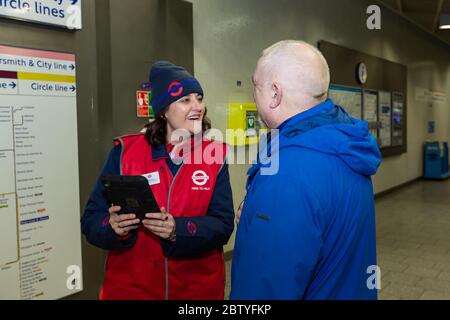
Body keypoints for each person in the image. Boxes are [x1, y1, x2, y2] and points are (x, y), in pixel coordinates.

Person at [231, 40, 382, 300]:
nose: (254, 95)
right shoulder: (345, 145)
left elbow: (266, 288)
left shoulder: (287, 173)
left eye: (255, 86)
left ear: (275, 94)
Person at [81, 61, 234, 300]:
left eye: (199, 98)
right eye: (185, 100)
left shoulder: (215, 155)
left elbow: (223, 225)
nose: (197, 107)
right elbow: (91, 220)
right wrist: (112, 227)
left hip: (196, 292)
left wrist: (178, 230)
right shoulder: (124, 153)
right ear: (163, 110)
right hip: (131, 291)